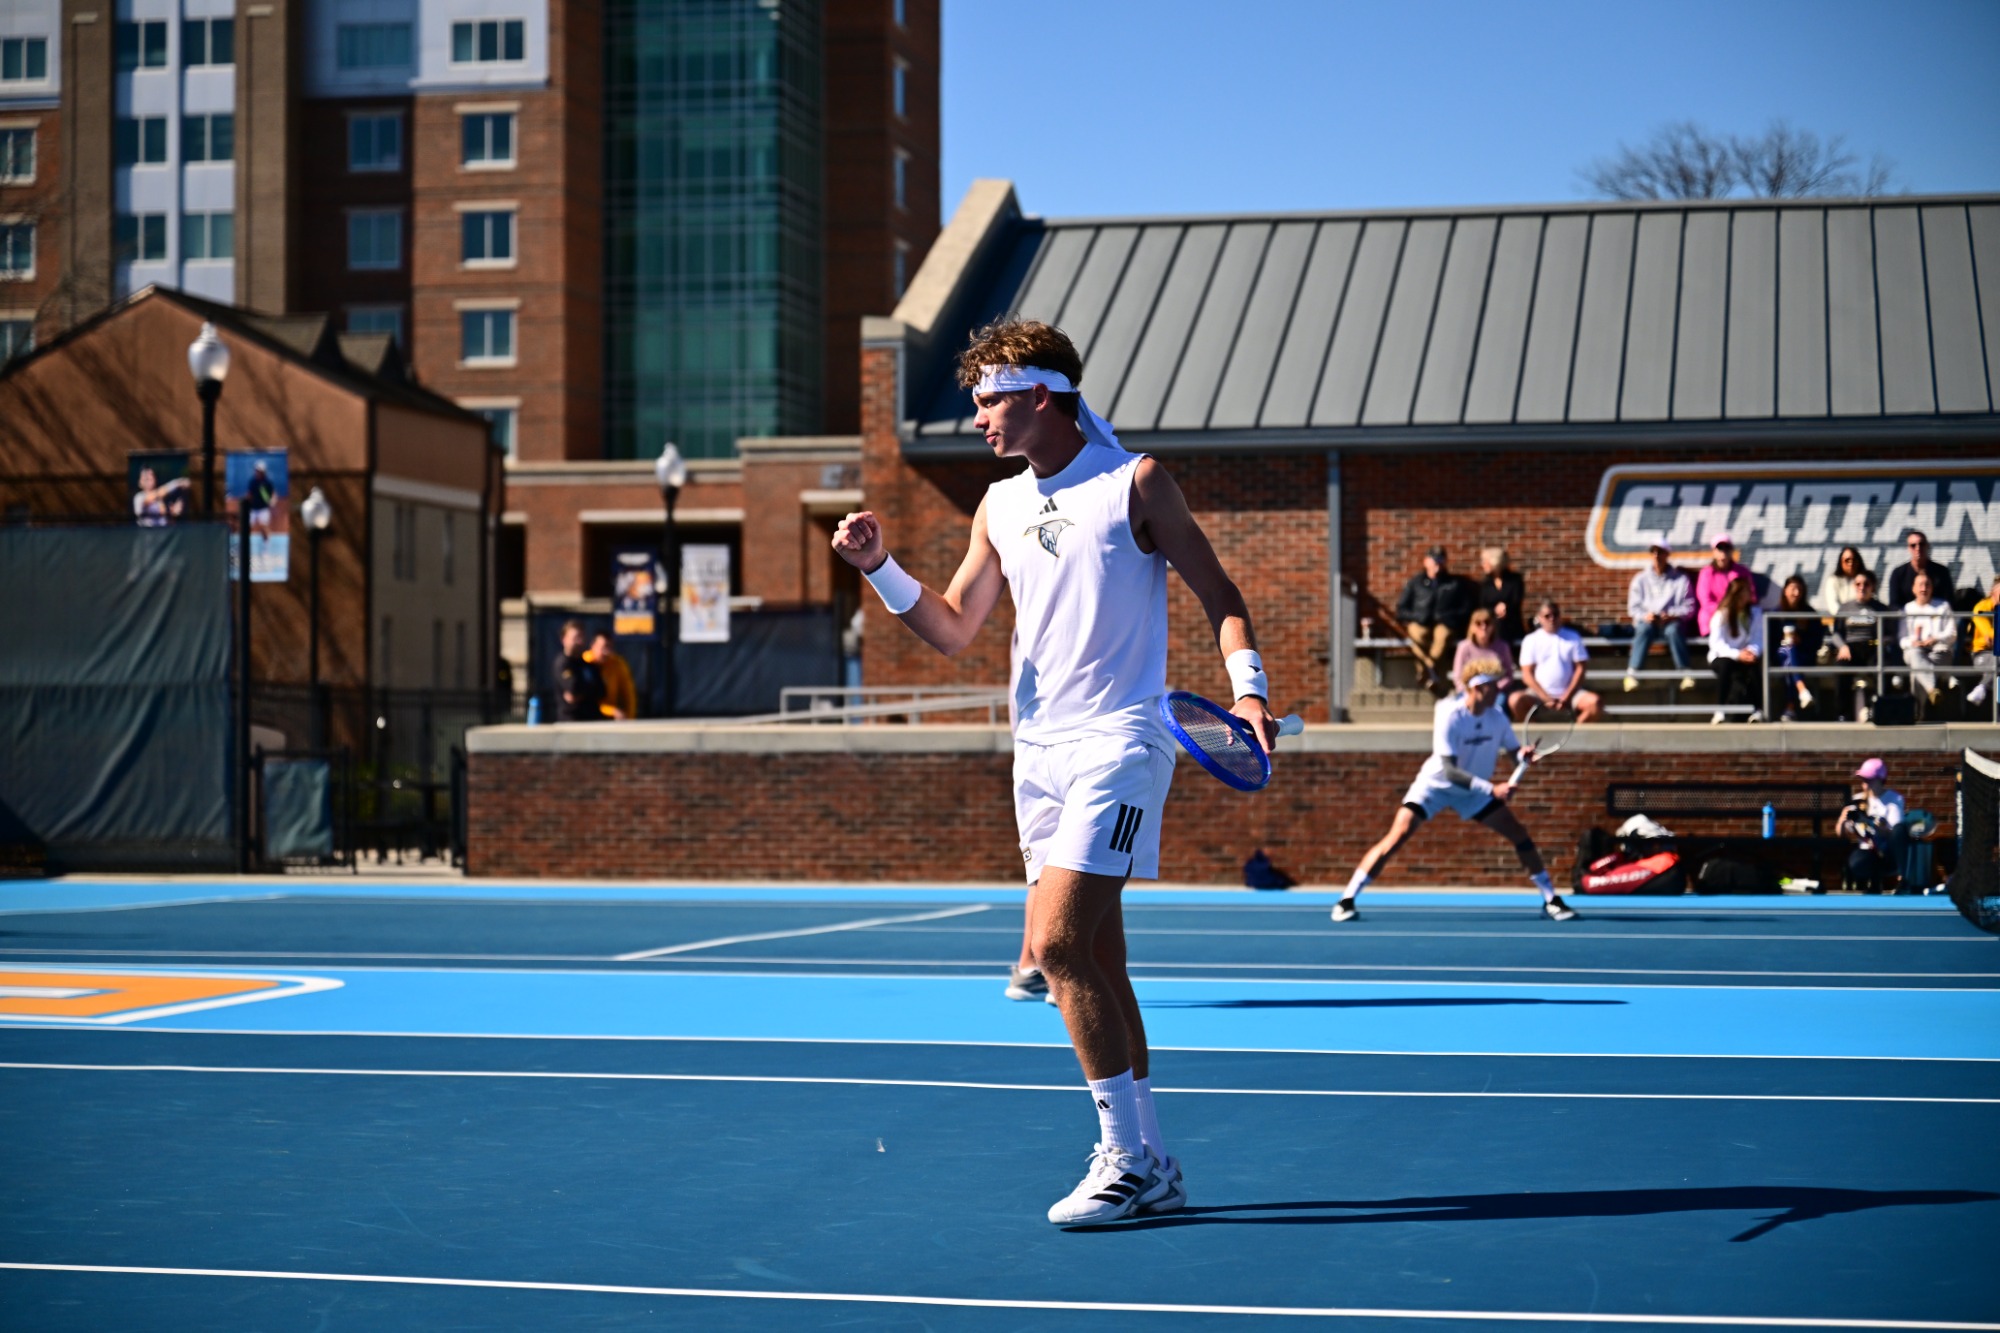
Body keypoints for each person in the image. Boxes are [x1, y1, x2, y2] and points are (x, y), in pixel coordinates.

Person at [831, 318, 1279, 1226]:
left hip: (1123, 739)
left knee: (1060, 947)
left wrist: (1252, 693)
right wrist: (880, 568)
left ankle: (1122, 1157)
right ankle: (1151, 1159)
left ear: (1044, 395)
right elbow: (955, 625)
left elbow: (1219, 595)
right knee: (1100, 959)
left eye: (989, 400)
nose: (977, 419)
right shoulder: (997, 506)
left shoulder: (1136, 483)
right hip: (1034, 753)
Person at [1330, 655, 1574, 924]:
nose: (1499, 691)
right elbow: (1449, 770)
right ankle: (1346, 900)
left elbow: (1513, 752)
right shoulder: (1450, 715)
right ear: (1478, 688)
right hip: (1435, 787)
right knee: (1396, 836)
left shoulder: (1498, 718)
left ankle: (1551, 899)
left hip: (1474, 793)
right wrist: (1492, 789)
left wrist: (1522, 755)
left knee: (1519, 835)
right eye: (1494, 686)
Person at [1395, 546, 1476, 695]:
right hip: (1420, 621)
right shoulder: (1416, 583)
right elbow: (1401, 610)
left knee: (1443, 636)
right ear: (1426, 562)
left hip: (1444, 623)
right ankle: (1430, 670)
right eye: (1434, 561)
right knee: (1416, 634)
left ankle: (1426, 670)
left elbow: (1466, 609)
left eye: (1441, 561)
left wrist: (1448, 617)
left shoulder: (1454, 584)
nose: (1437, 565)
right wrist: (1417, 616)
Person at [1623, 541, 1698, 693]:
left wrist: (1671, 615)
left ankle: (1686, 674)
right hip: (1648, 624)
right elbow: (1633, 608)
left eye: (1661, 552)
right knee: (1643, 629)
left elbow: (1689, 607)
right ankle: (1633, 674)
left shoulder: (1681, 579)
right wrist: (1646, 615)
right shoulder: (1640, 579)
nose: (1657, 555)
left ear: (1667, 554)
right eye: (1654, 551)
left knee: (1674, 630)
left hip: (1671, 624)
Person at [1514, 600, 1603, 723]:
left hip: (1570, 694)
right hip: (1538, 694)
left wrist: (1566, 696)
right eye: (1547, 616)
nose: (1552, 619)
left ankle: (1573, 736)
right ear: (1539, 618)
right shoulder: (1531, 640)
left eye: (1555, 615)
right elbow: (1527, 674)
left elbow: (1581, 669)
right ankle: (1535, 734)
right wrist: (1545, 698)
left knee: (1594, 703)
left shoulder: (1572, 637)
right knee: (1515, 700)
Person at [1837, 758, 1909, 891]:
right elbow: (1842, 833)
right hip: (1869, 851)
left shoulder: (1893, 799)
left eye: (1869, 779)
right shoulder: (1858, 800)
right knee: (1858, 862)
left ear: (1880, 780)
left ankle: (1903, 878)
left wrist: (1872, 824)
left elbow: (1896, 833)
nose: (1865, 783)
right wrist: (1843, 819)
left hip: (1888, 852)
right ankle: (1874, 880)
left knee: (1899, 831)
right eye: (1863, 779)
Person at [1833, 570, 1890, 723]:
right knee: (1840, 670)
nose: (1862, 587)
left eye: (1866, 584)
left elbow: (1889, 633)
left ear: (1873, 587)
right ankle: (1843, 714)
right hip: (1850, 649)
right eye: (1858, 584)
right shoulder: (1845, 608)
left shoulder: (1881, 609)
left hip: (1873, 647)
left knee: (1884, 669)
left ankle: (1879, 710)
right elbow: (1836, 633)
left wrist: (1881, 644)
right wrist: (1842, 646)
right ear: (1853, 586)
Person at [1707, 576, 1764, 724]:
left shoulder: (1755, 613)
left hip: (1746, 655)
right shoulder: (1721, 615)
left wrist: (1752, 651)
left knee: (1754, 667)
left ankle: (1758, 710)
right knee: (1726, 666)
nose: (1747, 595)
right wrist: (1738, 654)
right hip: (1723, 656)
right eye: (1744, 592)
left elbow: (1759, 637)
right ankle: (1720, 710)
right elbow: (1716, 644)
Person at [1770, 574, 1827, 721]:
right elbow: (1769, 641)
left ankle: (1790, 707)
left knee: (1790, 657)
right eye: (1793, 589)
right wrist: (1783, 640)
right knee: (1788, 650)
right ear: (1785, 590)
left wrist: (1801, 640)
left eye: (1800, 590)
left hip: (1804, 657)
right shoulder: (1776, 614)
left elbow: (1817, 641)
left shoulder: (1809, 613)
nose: (1796, 593)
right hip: (1779, 655)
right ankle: (1801, 692)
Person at [1899, 570, 1957, 712]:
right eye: (1920, 585)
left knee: (1917, 669)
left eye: (1927, 585)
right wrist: (1914, 642)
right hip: (1916, 651)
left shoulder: (1943, 606)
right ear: (1913, 588)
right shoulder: (1907, 609)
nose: (1923, 588)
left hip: (1939, 651)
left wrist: (1935, 639)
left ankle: (1918, 714)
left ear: (1932, 588)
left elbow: (1952, 633)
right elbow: (1902, 639)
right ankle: (1932, 689)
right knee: (1914, 655)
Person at [1452, 609, 1521, 705]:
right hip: (1469, 692)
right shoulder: (1464, 647)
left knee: (1499, 705)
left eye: (1487, 623)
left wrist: (1495, 689)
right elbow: (1458, 676)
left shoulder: (1502, 647)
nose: (1483, 627)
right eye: (1478, 623)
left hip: (1496, 692)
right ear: (1472, 627)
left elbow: (1509, 675)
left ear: (1493, 626)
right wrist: (1469, 692)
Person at [1695, 535, 1752, 637]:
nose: (1723, 552)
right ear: (1713, 551)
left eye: (1727, 548)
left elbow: (1751, 595)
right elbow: (1705, 601)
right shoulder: (1706, 573)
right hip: (1712, 619)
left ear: (1731, 551)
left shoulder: (1742, 572)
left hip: (1738, 618)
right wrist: (1725, 612)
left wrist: (1735, 611)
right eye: (1720, 548)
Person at [552, 619, 605, 722]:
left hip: (591, 720)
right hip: (572, 721)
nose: (579, 641)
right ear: (564, 639)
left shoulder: (588, 665)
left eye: (581, 637)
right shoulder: (563, 664)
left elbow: (602, 690)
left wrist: (582, 693)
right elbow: (573, 687)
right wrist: (589, 688)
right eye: (575, 638)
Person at [1475, 547, 1525, 649]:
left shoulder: (1514, 580)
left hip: (1510, 622)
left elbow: (1516, 601)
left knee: (1502, 625)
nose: (1483, 565)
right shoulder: (1485, 584)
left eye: (1485, 561)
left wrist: (1505, 608)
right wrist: (1494, 610)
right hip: (1490, 622)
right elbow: (1482, 605)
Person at [588, 631, 638, 720]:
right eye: (603, 647)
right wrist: (611, 711)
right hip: (587, 719)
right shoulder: (585, 663)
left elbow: (628, 694)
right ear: (593, 646)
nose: (606, 652)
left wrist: (630, 718)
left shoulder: (617, 664)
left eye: (609, 647)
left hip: (610, 719)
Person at [1968, 575, 1999, 712]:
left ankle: (1982, 687)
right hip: (1981, 653)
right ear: (1993, 591)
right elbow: (1989, 632)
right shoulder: (1981, 607)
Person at [1815, 546, 1869, 617]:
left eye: (1854, 560)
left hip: (1864, 618)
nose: (1851, 564)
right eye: (1847, 560)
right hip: (1841, 620)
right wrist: (1845, 615)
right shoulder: (1833, 580)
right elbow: (1833, 605)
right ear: (1841, 562)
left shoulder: (1865, 579)